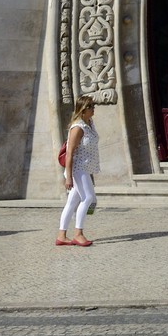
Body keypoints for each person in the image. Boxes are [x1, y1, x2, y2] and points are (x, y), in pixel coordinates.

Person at [55, 95, 100, 247]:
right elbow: (69, 153)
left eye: (93, 105)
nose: (93, 108)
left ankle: (61, 235)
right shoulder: (78, 127)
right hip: (77, 169)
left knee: (73, 201)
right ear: (83, 110)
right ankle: (78, 233)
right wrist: (68, 177)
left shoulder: (89, 123)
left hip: (85, 169)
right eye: (90, 106)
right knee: (88, 198)